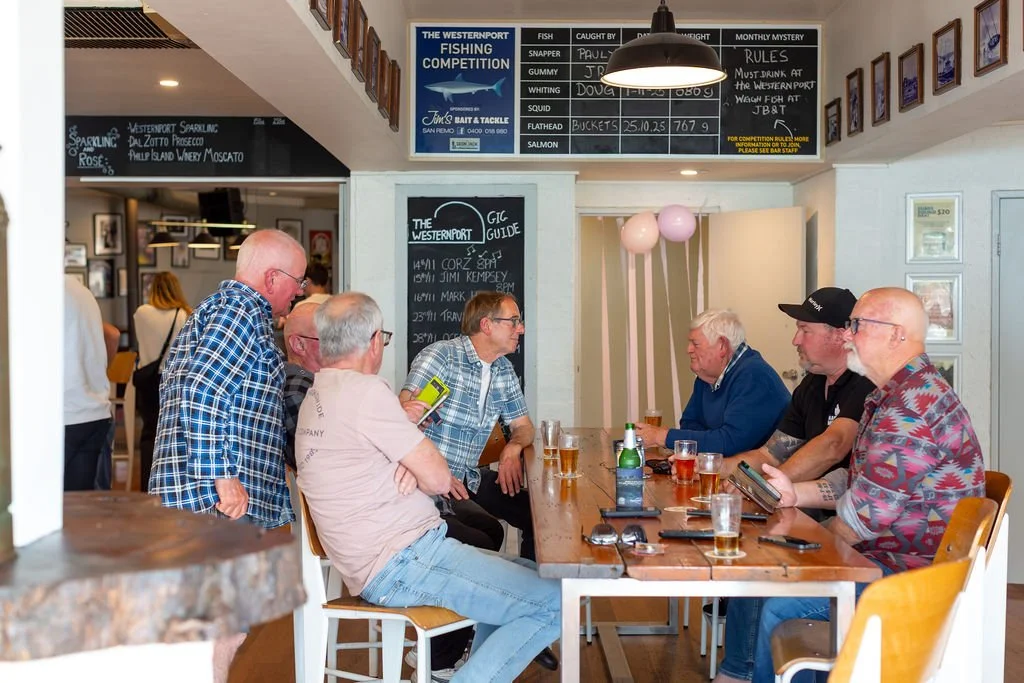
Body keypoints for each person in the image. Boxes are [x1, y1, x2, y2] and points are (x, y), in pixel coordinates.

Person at [714, 287, 986, 683]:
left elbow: (859, 525)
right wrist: (796, 493)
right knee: (770, 570)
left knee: (779, 602)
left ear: (896, 335)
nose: (847, 334)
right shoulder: (899, 393)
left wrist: (800, 553)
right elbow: (863, 479)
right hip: (896, 563)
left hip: (908, 578)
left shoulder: (908, 410)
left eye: (857, 325)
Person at [295, 292, 560, 683]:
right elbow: (437, 478)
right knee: (556, 600)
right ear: (373, 342)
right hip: (404, 561)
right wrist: (417, 462)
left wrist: (409, 459)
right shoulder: (366, 393)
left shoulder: (319, 395)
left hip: (398, 555)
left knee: (536, 576)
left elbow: (414, 462)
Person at [148, 229, 307, 683]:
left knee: (216, 629)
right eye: (297, 281)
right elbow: (202, 391)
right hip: (212, 500)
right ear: (272, 278)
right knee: (218, 630)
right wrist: (223, 477)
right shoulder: (239, 312)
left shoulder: (226, 310)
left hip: (203, 497)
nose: (298, 291)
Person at [399, 292, 536, 560]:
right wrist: (435, 473)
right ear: (487, 325)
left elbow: (525, 426)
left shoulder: (503, 370)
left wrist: (513, 447)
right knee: (487, 536)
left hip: (467, 477)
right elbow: (402, 421)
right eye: (513, 321)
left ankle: (531, 581)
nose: (521, 329)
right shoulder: (442, 357)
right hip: (426, 484)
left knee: (537, 513)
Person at [718, 288, 875, 483]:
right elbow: (771, 454)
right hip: (803, 496)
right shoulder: (811, 383)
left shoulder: (867, 381)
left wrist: (765, 488)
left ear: (840, 336)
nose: (795, 340)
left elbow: (833, 445)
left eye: (805, 330)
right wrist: (715, 467)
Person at [636, 309, 790, 456]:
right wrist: (713, 440)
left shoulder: (754, 376)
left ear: (722, 346)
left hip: (766, 472)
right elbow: (689, 423)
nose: (688, 349)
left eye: (695, 344)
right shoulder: (707, 376)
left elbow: (731, 443)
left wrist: (663, 437)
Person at [133, 272, 190, 493]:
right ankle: (169, 486)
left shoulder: (142, 313)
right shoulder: (183, 314)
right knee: (172, 434)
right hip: (174, 382)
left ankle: (146, 486)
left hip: (148, 381)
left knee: (149, 433)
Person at [63, 274, 112, 491]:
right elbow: (112, 335)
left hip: (60, 415)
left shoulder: (36, 289)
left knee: (38, 503)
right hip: (93, 412)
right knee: (80, 504)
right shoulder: (81, 291)